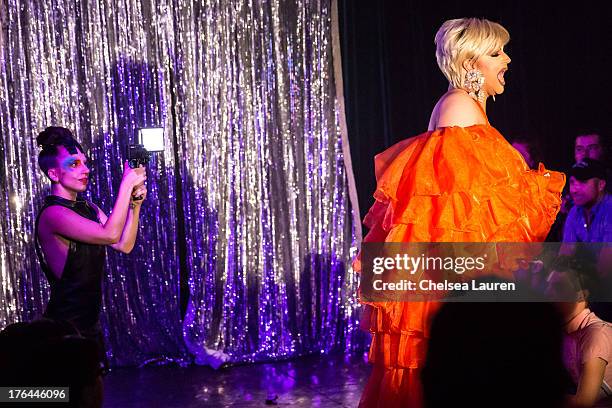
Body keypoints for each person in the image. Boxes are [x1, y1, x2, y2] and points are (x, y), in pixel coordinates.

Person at [357, 18, 565, 407]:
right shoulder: (458, 110)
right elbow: (460, 216)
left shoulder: (465, 109)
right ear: (470, 64)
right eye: (496, 53)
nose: (506, 59)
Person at [34, 126, 147, 371]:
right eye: (74, 164)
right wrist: (126, 185)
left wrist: (134, 206)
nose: (85, 170)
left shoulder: (89, 208)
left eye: (85, 163)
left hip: (89, 326)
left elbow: (123, 244)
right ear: (54, 174)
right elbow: (110, 233)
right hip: (65, 329)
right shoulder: (53, 214)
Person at [546, 261, 612, 408]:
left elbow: (583, 403)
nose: (548, 293)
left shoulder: (595, 333)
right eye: (548, 286)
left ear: (581, 295)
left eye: (558, 287)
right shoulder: (564, 331)